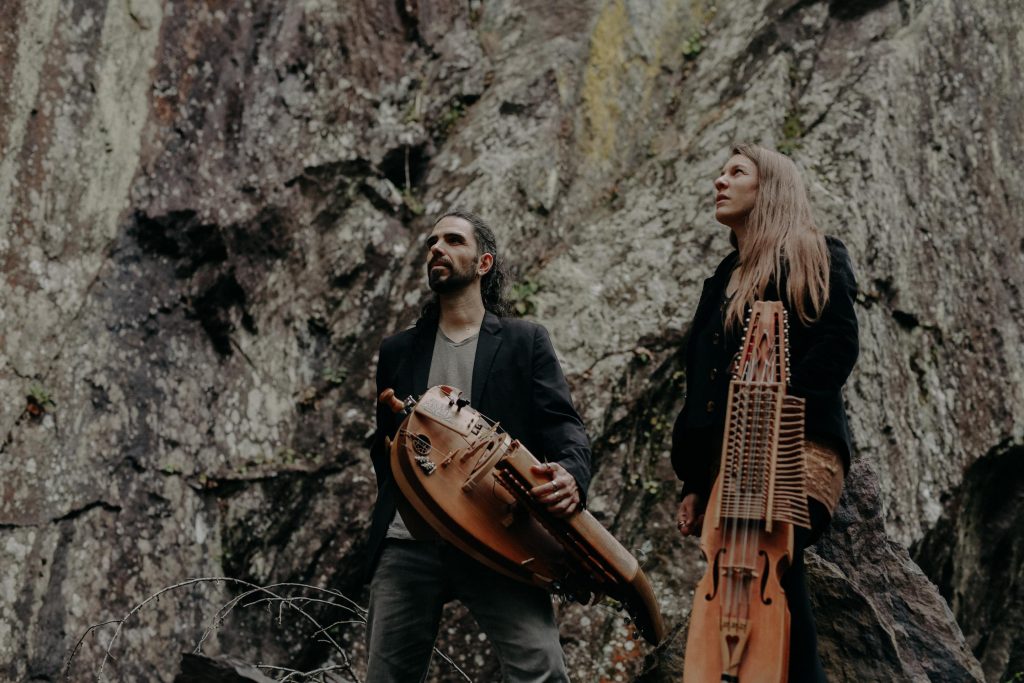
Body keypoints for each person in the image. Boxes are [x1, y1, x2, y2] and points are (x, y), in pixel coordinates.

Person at [365, 209, 592, 682]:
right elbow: (384, 447)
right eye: (431, 243)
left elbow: (562, 425)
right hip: (411, 544)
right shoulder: (397, 350)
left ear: (483, 262)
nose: (437, 249)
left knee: (541, 667)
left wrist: (571, 473)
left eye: (452, 240)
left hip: (498, 533)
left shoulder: (523, 341)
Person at [672, 144, 859, 682]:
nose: (719, 181)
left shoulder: (814, 250)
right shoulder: (721, 279)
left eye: (736, 172)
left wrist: (771, 408)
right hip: (728, 466)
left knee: (777, 567)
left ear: (769, 187)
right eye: (720, 172)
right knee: (754, 586)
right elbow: (702, 387)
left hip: (796, 448)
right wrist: (693, 481)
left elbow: (838, 345)